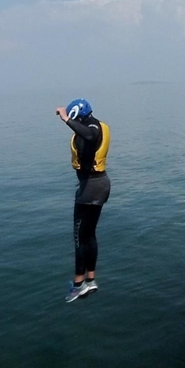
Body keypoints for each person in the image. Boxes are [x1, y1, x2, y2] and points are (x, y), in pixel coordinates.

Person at [55, 99, 111, 303]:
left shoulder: (89, 131)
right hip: (101, 184)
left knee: (79, 238)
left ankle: (78, 286)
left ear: (77, 114)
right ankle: (90, 279)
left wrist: (65, 119)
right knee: (89, 235)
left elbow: (88, 134)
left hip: (90, 188)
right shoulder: (98, 124)